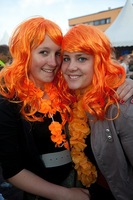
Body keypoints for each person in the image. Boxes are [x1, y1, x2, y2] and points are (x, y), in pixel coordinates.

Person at [0, 17, 90, 200]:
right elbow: (13, 170)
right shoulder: (7, 99)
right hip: (40, 194)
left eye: (58, 54)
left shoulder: (67, 86)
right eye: (44, 52)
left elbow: (98, 84)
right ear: (25, 54)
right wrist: (66, 195)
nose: (54, 62)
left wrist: (125, 83)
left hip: (79, 181)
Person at [60, 24, 133, 200]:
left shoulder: (119, 103)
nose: (71, 67)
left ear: (99, 61)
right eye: (66, 58)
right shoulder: (72, 96)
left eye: (82, 58)